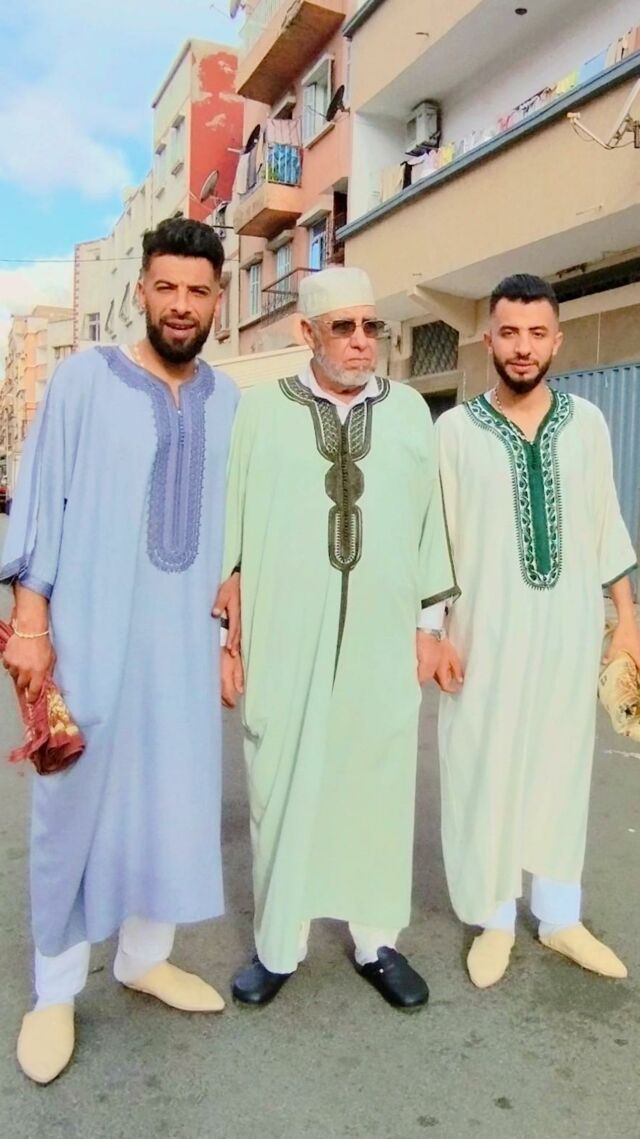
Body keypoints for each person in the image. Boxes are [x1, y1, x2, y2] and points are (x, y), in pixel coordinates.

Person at [0, 217, 239, 1083]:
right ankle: (55, 990)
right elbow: (42, 497)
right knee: (74, 805)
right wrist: (31, 622)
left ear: (218, 298)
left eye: (197, 290)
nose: (181, 304)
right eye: (166, 286)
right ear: (140, 289)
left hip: (184, 645)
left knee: (172, 797)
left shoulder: (229, 401)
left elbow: (238, 527)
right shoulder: (84, 380)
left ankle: (144, 959)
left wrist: (236, 618)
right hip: (90, 637)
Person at [220, 266, 458, 1010]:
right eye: (343, 327)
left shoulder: (410, 411)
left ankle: (376, 942)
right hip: (283, 636)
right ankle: (278, 945)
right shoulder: (261, 412)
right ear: (307, 333)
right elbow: (232, 530)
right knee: (282, 782)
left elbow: (430, 523)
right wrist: (226, 640)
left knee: (376, 785)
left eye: (370, 326)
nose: (361, 341)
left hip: (382, 638)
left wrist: (429, 626)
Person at [436, 273, 640, 989]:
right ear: (488, 339)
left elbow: (606, 521)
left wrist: (627, 622)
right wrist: (432, 632)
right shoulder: (454, 431)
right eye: (509, 333)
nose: (522, 347)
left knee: (560, 769)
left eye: (536, 333)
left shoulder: (587, 423)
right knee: (484, 768)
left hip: (566, 632)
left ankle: (559, 917)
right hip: (482, 634)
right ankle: (494, 919)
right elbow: (435, 541)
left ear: (557, 340)